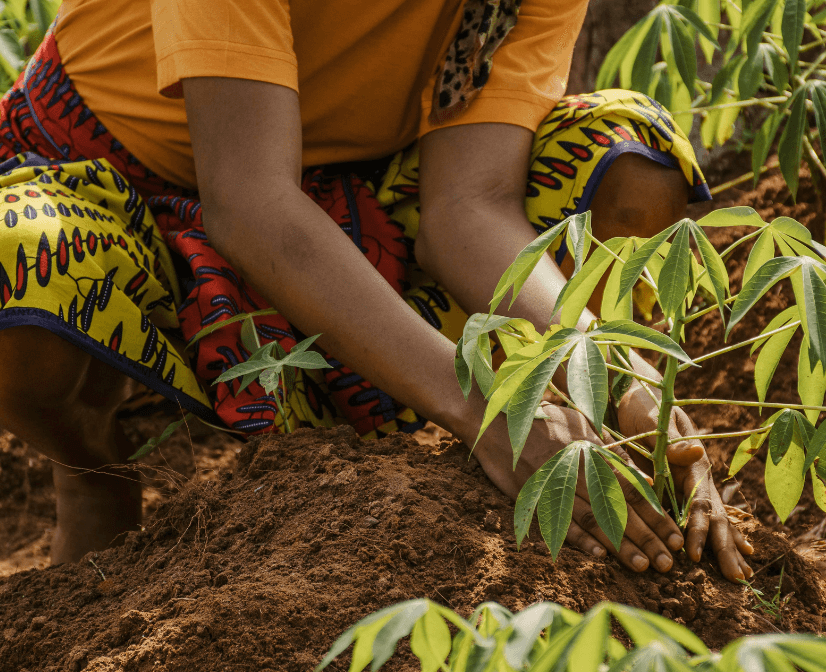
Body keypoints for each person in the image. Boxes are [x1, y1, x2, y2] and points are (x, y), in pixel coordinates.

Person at [0, 0, 753, 580]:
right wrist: (486, 408)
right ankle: (91, 465)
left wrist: (617, 376)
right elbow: (250, 199)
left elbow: (468, 207)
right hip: (103, 169)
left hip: (349, 186)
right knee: (16, 271)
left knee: (627, 166)